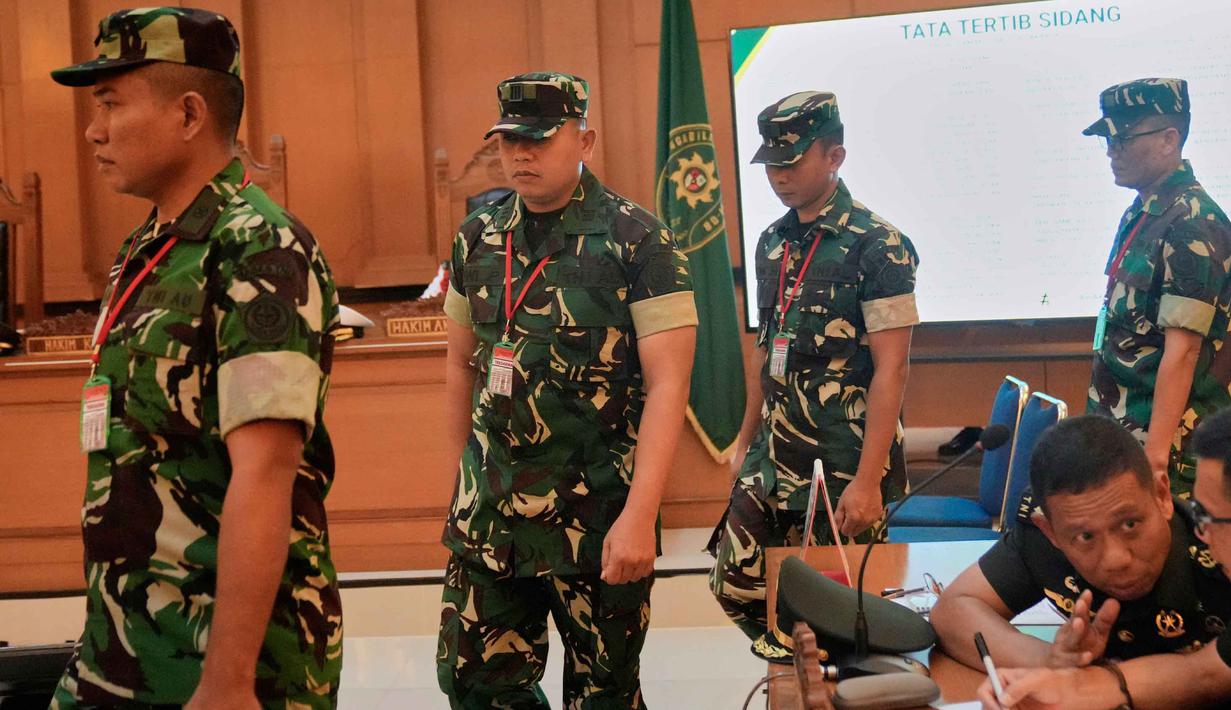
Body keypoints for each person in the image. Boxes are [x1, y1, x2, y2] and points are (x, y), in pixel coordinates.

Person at [49, 8, 342, 709]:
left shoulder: (260, 252)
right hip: (127, 637)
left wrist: (229, 683)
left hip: (228, 659)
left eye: (112, 104)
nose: (93, 130)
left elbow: (266, 473)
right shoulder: (149, 246)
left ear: (188, 114)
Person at [436, 71, 698, 709]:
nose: (520, 154)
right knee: (476, 687)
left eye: (539, 140)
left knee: (603, 693)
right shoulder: (477, 237)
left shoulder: (640, 241)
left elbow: (669, 386)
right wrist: (460, 489)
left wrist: (640, 518)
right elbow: (458, 367)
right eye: (508, 141)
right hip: (491, 518)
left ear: (585, 142)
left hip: (597, 520)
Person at [708, 91, 920, 661]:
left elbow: (892, 369)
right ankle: (795, 673)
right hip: (774, 455)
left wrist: (870, 479)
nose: (779, 175)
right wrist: (745, 437)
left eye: (793, 161)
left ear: (835, 157)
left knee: (842, 615)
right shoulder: (772, 242)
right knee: (735, 582)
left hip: (843, 459)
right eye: (771, 163)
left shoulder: (881, 246)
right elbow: (764, 347)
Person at [930, 416, 1231, 690]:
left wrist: (1095, 683)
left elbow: (1208, 675)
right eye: (1086, 537)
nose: (1116, 559)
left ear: (1162, 496)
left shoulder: (1218, 545)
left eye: (1130, 524)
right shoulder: (1045, 540)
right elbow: (953, 609)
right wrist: (1052, 660)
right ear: (1051, 532)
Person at [1085, 78, 1231, 497]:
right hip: (1123, 436)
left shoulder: (1191, 222)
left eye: (1124, 139)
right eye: (1107, 140)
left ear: (1170, 139)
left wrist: (1155, 458)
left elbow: (1182, 352)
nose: (1112, 151)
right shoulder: (1146, 211)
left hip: (1167, 451)